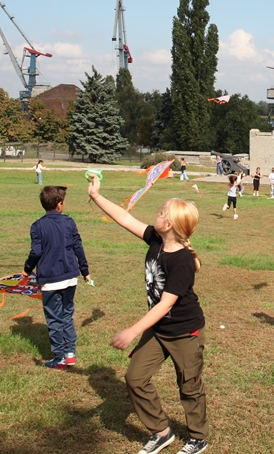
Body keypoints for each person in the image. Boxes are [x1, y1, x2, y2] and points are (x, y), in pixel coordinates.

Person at [86, 178, 209, 454]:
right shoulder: (155, 238)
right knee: (135, 378)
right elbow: (124, 217)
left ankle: (198, 437)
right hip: (159, 329)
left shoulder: (182, 261)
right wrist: (96, 196)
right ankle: (161, 431)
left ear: (172, 225)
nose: (159, 212)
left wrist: (131, 331)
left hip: (184, 332)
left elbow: (165, 305)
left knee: (189, 386)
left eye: (164, 212)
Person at [23, 185, 91, 370]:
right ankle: (70, 354)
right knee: (67, 314)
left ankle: (60, 357)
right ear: (59, 205)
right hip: (70, 277)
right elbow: (78, 247)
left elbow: (36, 251)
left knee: (54, 318)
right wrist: (85, 271)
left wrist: (27, 269)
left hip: (50, 280)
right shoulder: (69, 223)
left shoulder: (37, 226)